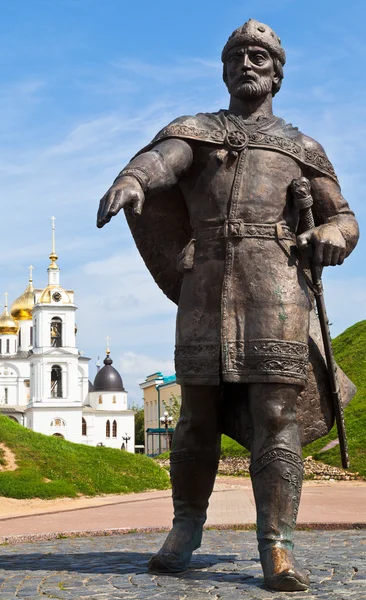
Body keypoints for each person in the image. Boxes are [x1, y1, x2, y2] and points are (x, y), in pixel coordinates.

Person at [97, 19, 359, 591]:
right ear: (223, 69)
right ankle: (186, 528)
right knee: (195, 417)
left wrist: (332, 238)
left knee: (276, 415)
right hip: (206, 286)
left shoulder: (302, 147)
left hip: (277, 288)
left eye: (259, 57)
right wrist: (133, 177)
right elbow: (164, 159)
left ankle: (278, 545)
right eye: (238, 56)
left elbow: (344, 217)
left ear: (277, 73)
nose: (248, 64)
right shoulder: (197, 131)